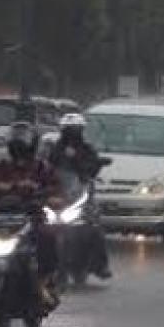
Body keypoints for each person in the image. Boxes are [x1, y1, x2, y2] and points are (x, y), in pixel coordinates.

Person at [0, 122, 59, 307]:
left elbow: (56, 191)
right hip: (0, 221)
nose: (20, 153)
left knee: (47, 237)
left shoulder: (43, 169)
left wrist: (47, 196)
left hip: (31, 219)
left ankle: (43, 285)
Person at [47, 113, 112, 279]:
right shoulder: (54, 149)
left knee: (94, 227)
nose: (71, 133)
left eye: (75, 130)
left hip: (80, 196)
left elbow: (93, 166)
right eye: (68, 130)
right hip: (57, 196)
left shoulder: (87, 149)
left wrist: (82, 163)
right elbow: (45, 166)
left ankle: (100, 265)